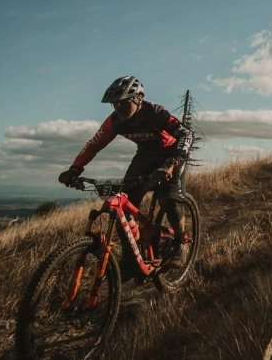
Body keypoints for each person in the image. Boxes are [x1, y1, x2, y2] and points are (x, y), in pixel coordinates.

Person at [58, 75, 194, 268]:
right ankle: (133, 255)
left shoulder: (155, 112)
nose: (118, 108)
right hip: (145, 155)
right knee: (122, 205)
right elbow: (93, 146)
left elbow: (186, 134)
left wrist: (172, 164)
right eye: (114, 104)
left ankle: (182, 242)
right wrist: (75, 168)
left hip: (170, 154)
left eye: (123, 103)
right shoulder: (115, 121)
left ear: (138, 98)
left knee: (169, 198)